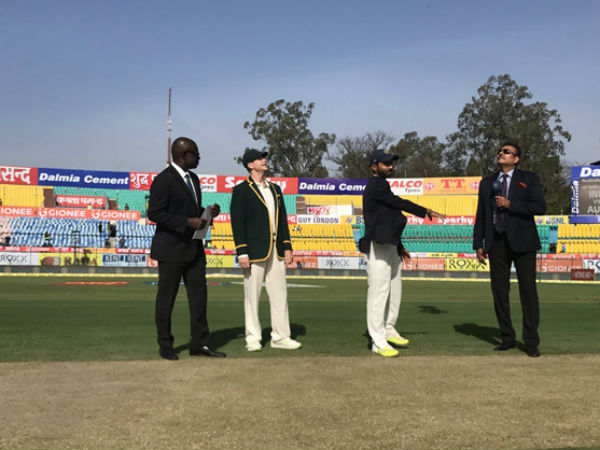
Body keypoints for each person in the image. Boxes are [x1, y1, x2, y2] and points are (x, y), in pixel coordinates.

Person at [359, 149, 445, 358]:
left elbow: (391, 219)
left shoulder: (383, 185)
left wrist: (399, 245)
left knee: (394, 289)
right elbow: (398, 203)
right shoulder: (376, 185)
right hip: (377, 245)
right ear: (374, 166)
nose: (390, 167)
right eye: (386, 163)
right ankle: (378, 341)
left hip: (389, 245)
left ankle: (388, 328)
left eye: (391, 163)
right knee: (379, 293)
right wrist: (424, 211)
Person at [148, 137, 224, 361]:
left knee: (199, 299)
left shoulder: (194, 179)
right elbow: (155, 213)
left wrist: (207, 213)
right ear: (183, 155)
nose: (199, 158)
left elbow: (191, 210)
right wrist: (187, 222)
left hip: (194, 249)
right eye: (196, 154)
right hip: (171, 250)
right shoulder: (163, 180)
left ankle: (200, 344)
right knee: (166, 300)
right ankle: (165, 345)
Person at [473, 141, 546, 357]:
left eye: (506, 152)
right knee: (499, 292)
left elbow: (539, 207)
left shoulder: (528, 179)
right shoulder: (487, 182)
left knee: (528, 292)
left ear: (516, 159)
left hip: (524, 242)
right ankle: (507, 337)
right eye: (500, 151)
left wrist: (510, 204)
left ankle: (531, 342)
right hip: (496, 242)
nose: (501, 153)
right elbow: (481, 214)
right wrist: (478, 243)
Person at [230, 149, 300, 352]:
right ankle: (253, 338)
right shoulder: (241, 190)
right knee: (252, 296)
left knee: (280, 295)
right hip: (254, 250)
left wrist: (287, 245)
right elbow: (237, 223)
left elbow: (283, 219)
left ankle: (281, 337)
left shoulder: (275, 189)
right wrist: (242, 251)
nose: (264, 160)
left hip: (276, 249)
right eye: (260, 158)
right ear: (250, 165)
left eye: (264, 157)